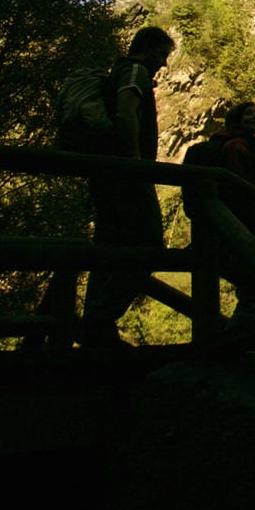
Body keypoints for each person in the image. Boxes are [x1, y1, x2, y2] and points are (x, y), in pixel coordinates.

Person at [81, 25, 176, 347]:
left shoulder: (118, 70)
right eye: (162, 55)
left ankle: (94, 327)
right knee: (149, 248)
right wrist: (134, 163)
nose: (163, 65)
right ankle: (98, 321)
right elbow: (126, 113)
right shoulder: (134, 71)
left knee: (108, 250)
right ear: (148, 49)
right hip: (126, 176)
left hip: (107, 176)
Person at [183, 101, 255, 324]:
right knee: (253, 291)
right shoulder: (238, 147)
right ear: (236, 119)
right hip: (241, 227)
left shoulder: (239, 145)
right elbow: (246, 191)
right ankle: (235, 344)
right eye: (249, 114)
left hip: (229, 226)